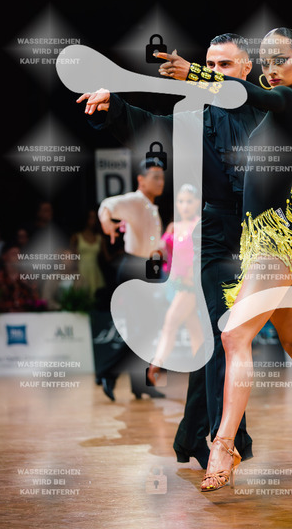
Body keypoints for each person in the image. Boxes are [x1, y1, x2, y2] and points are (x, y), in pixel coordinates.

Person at [76, 33, 292, 467]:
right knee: (225, 330)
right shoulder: (194, 118)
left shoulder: (274, 106)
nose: (215, 72)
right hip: (216, 238)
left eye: (225, 65)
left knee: (278, 342)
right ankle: (225, 444)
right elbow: (151, 127)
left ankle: (193, 434)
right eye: (210, 64)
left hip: (266, 238)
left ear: (246, 69)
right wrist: (113, 106)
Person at [165, 27, 292, 491]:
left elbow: (246, 93)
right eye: (267, 61)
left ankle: (223, 445)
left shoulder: (289, 100)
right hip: (275, 237)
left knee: (234, 334)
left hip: (274, 243)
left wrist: (195, 73)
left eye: (281, 59)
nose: (272, 69)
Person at [95, 158, 166, 401]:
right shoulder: (136, 200)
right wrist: (106, 221)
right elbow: (107, 205)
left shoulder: (150, 206)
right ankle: (108, 373)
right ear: (141, 180)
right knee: (146, 329)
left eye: (162, 177)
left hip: (146, 269)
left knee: (145, 329)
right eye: (155, 177)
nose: (160, 182)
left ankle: (139, 384)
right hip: (133, 269)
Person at [147, 183, 202, 387]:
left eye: (189, 201)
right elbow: (159, 250)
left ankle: (156, 364)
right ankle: (203, 376)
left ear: (197, 203)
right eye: (181, 201)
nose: (185, 205)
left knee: (170, 323)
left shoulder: (200, 224)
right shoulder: (173, 227)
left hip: (192, 286)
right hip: (177, 285)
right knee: (194, 330)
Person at [70, 209, 108, 299]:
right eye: (91, 217)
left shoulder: (100, 238)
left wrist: (119, 253)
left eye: (95, 218)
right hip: (81, 270)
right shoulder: (76, 237)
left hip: (95, 272)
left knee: (95, 297)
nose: (93, 220)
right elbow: (70, 258)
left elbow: (107, 258)